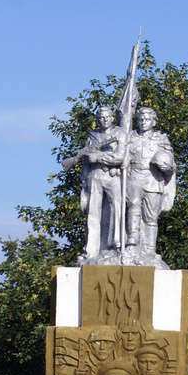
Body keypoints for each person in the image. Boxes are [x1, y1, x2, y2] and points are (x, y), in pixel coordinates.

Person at [63, 106, 126, 261]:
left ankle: (117, 244)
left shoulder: (119, 134)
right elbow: (85, 159)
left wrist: (98, 157)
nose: (105, 120)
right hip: (94, 176)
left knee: (117, 208)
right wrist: (84, 180)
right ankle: (90, 250)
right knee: (92, 214)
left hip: (112, 176)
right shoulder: (93, 135)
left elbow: (120, 157)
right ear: (97, 120)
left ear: (112, 118)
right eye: (101, 117)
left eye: (108, 117)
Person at [126, 107, 175, 257]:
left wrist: (166, 167)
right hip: (134, 177)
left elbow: (171, 166)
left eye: (147, 119)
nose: (143, 122)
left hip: (153, 180)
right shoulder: (130, 137)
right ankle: (132, 238)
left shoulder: (161, 140)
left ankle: (150, 249)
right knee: (133, 203)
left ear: (153, 121)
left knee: (151, 217)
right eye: (141, 119)